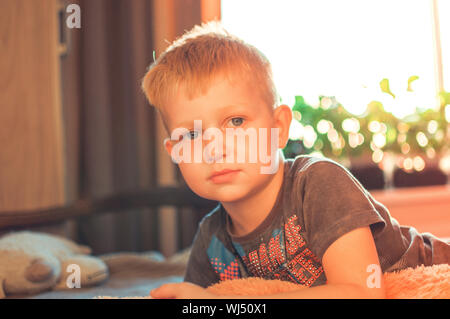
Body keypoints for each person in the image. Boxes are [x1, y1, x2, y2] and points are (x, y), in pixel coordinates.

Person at [141, 21, 450, 299]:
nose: (214, 149)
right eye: (192, 136)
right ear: (175, 152)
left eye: (236, 122)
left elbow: (361, 294)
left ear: (278, 128)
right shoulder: (212, 242)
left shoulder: (317, 183)